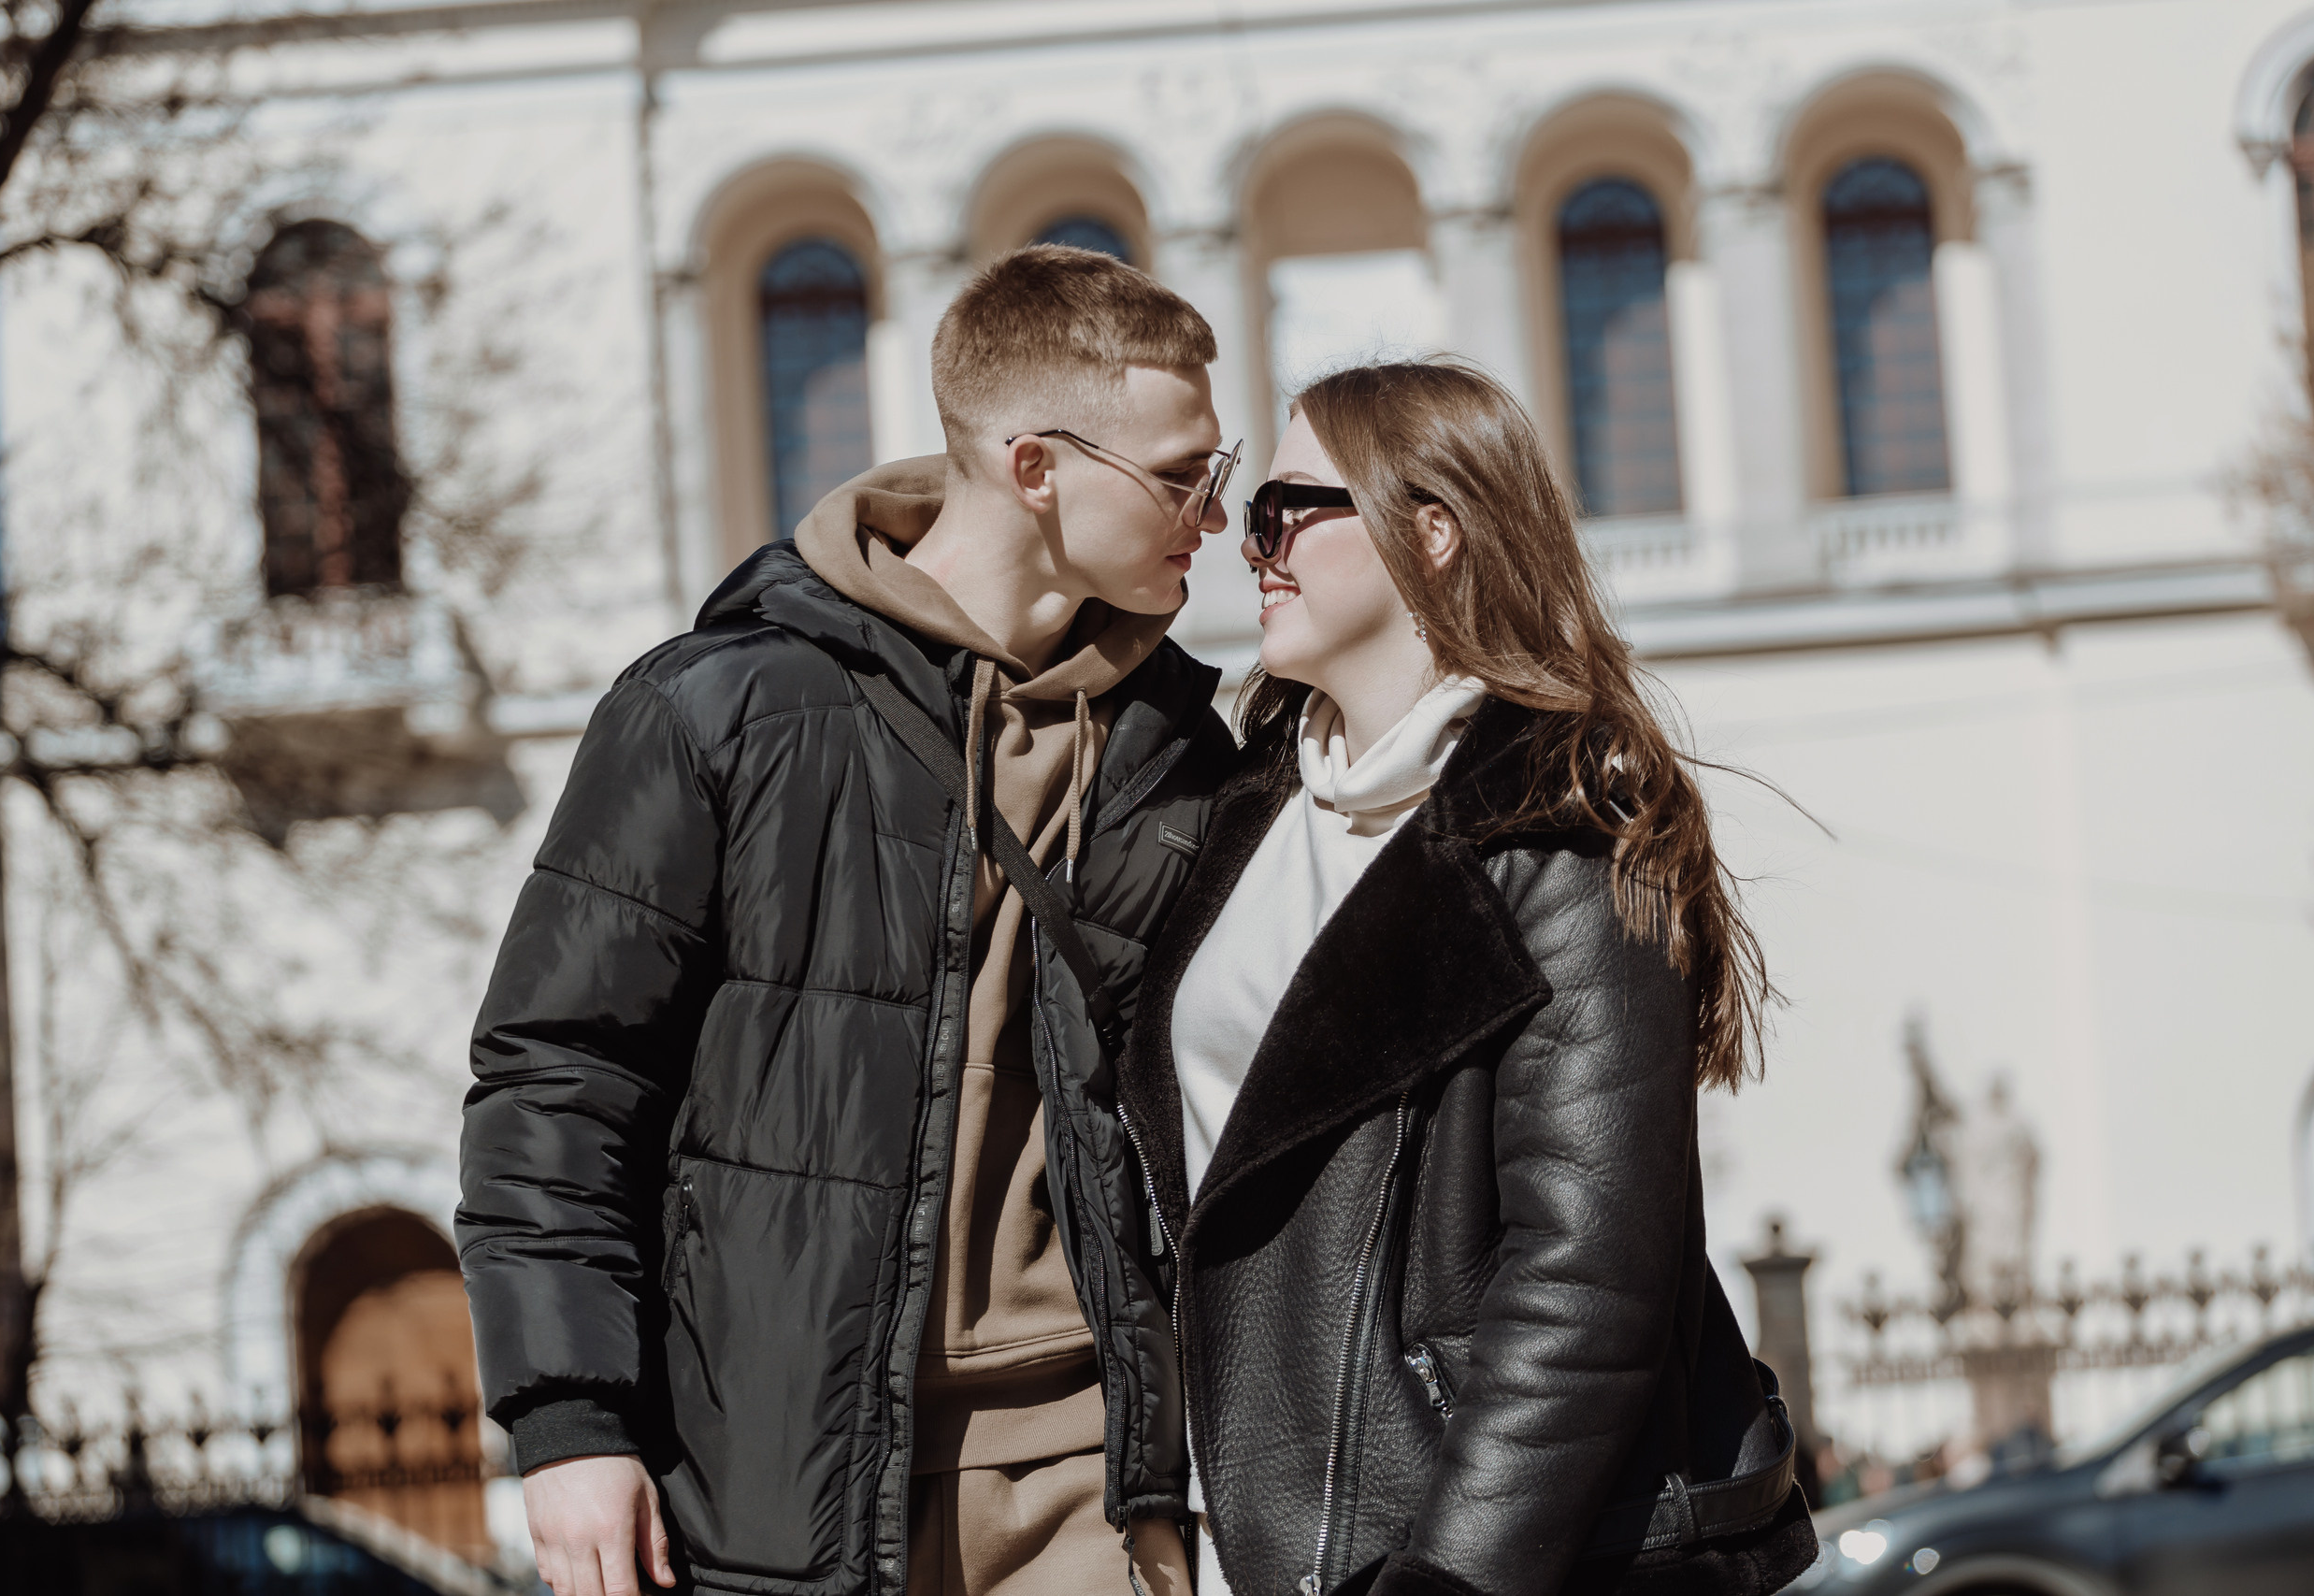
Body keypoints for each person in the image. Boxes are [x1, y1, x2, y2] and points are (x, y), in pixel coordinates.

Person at [458, 245, 1239, 1596]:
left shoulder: (1184, 753)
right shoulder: (719, 709)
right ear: (1036, 465)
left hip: (1088, 1476)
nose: (1210, 517)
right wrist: (569, 1422)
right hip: (776, 1480)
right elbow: (558, 1081)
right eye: (1182, 477)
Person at [1114, 361, 1818, 1596]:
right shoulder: (1252, 801)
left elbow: (1588, 1281)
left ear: (1427, 531)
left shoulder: (1566, 826)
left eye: (1285, 511)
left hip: (1442, 1548)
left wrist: (1453, 1576)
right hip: (1235, 1534)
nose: (1251, 549)